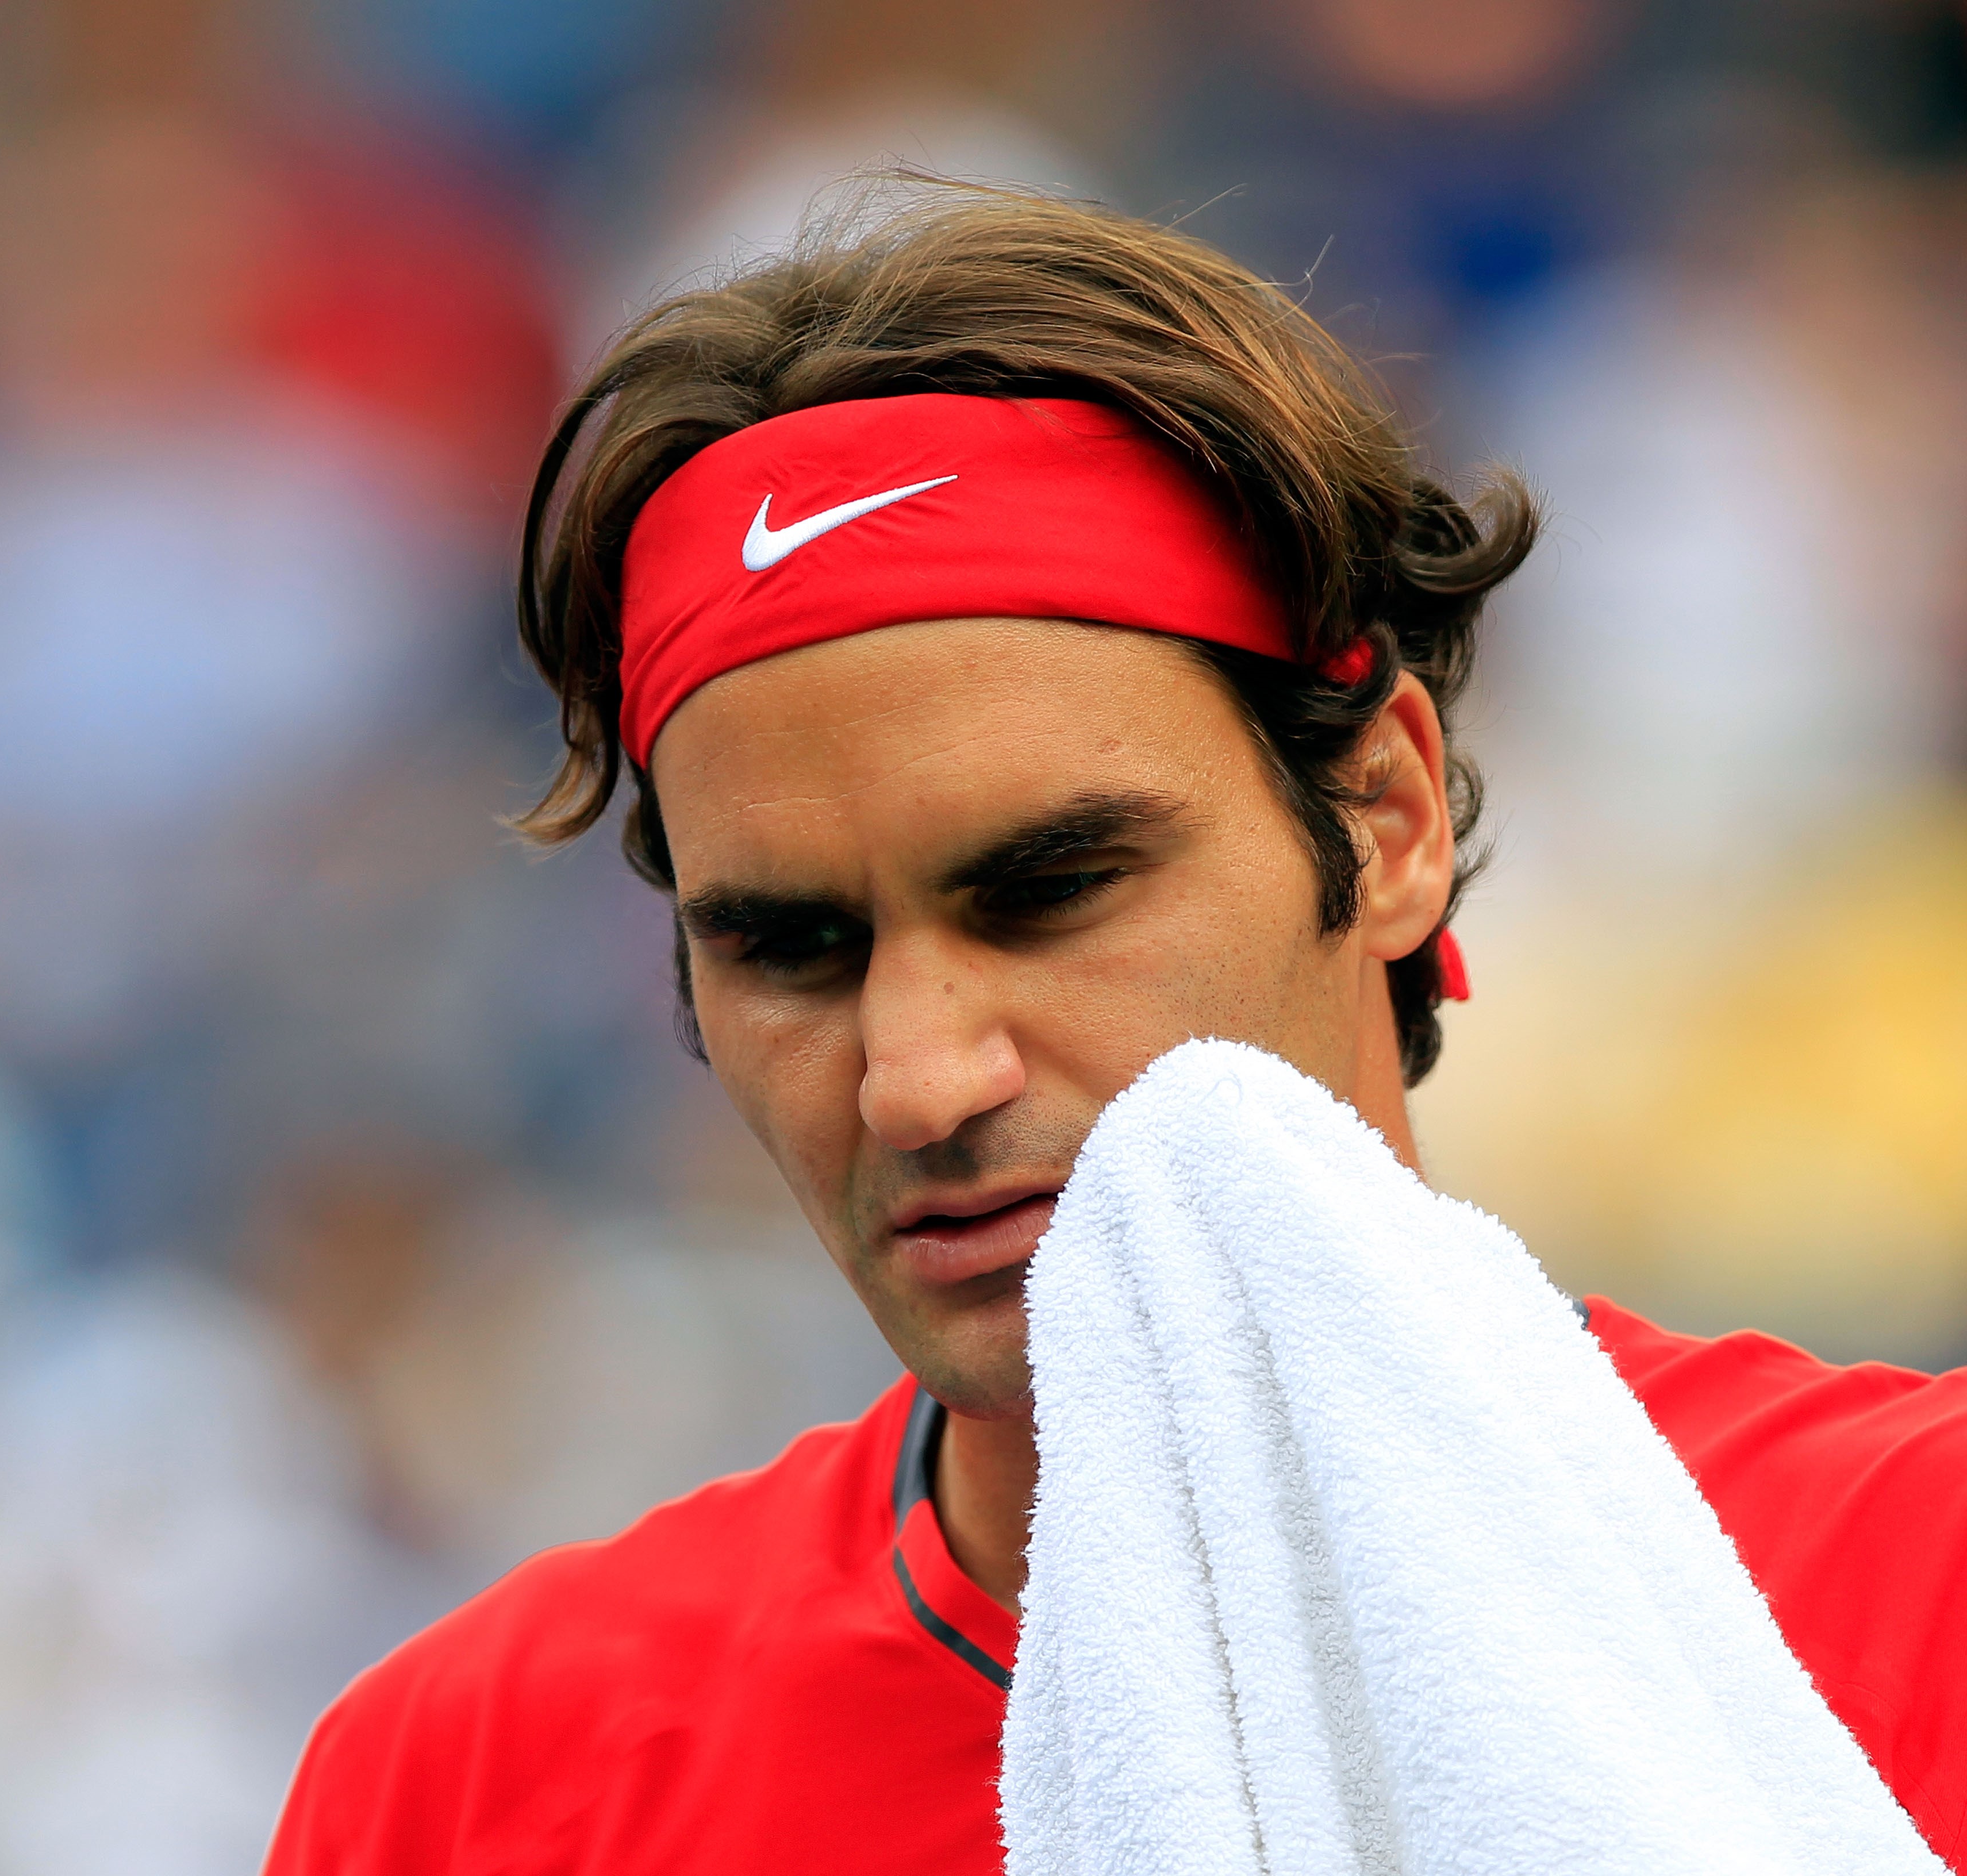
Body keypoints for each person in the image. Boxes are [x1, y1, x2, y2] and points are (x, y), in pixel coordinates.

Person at [261, 186, 1967, 1873]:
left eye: (1053, 889)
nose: (922, 1080)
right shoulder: (463, 1791)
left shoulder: (1924, 1573)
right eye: (792, 949)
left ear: (1385, 822)